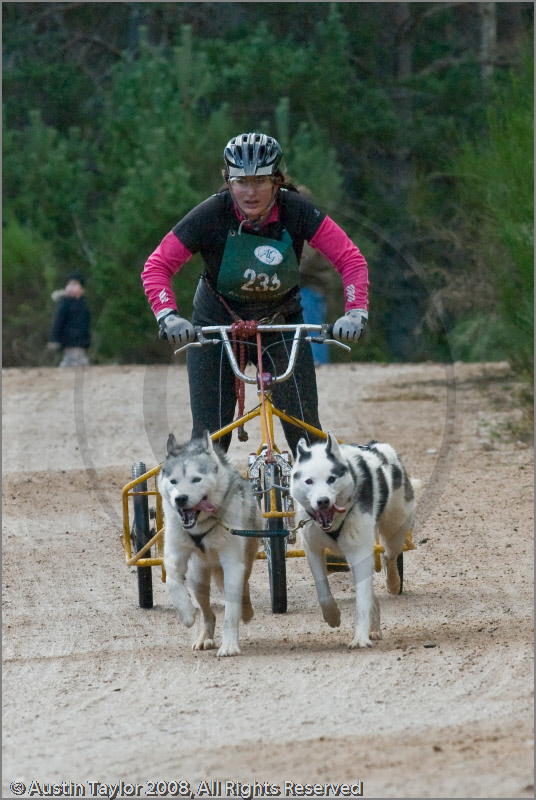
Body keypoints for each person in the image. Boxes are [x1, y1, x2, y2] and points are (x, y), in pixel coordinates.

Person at [142, 132, 369, 454]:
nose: (251, 192)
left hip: (282, 321)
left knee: (305, 431)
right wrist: (169, 316)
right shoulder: (211, 214)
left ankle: (318, 500)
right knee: (209, 438)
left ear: (277, 181)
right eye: (241, 181)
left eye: (261, 181)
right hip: (216, 323)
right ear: (228, 181)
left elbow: (350, 258)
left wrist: (356, 311)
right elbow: (157, 266)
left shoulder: (297, 211)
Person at [47, 272, 91, 367]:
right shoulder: (64, 303)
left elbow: (86, 323)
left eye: (74, 284)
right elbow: (58, 322)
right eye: (68, 284)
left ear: (82, 289)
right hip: (69, 340)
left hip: (80, 341)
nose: (70, 287)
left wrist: (86, 340)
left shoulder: (83, 303)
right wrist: (54, 339)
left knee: (74, 361)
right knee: (77, 361)